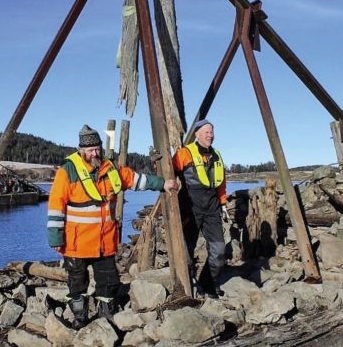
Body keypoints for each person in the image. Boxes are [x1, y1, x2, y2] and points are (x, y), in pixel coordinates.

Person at [47, 124, 179, 329]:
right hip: (76, 243)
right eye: (90, 150)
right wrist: (55, 238)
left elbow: (137, 180)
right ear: (81, 150)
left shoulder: (112, 169)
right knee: (77, 282)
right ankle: (80, 318)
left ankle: (106, 317)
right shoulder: (67, 171)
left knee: (108, 281)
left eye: (97, 148)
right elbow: (56, 206)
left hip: (105, 241)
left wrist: (163, 184)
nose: (95, 153)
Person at [173, 119, 230, 298]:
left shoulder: (217, 155)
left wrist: (223, 202)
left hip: (212, 208)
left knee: (219, 250)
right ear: (197, 134)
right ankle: (188, 286)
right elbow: (167, 172)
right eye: (206, 132)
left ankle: (207, 282)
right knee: (187, 253)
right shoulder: (184, 154)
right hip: (190, 207)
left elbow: (221, 182)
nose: (210, 135)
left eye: (212, 132)